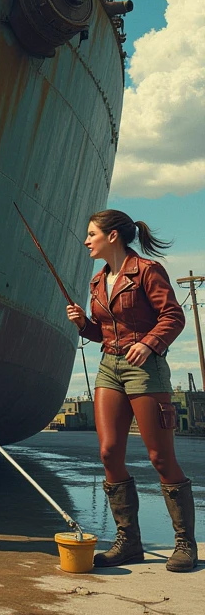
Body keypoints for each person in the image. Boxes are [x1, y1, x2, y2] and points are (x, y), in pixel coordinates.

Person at [67, 210, 197, 572]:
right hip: (109, 365)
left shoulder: (147, 270)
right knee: (109, 452)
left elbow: (173, 315)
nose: (86, 240)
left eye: (91, 233)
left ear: (112, 236)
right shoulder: (97, 282)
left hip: (145, 368)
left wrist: (152, 343)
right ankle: (129, 543)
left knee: (159, 457)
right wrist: (85, 325)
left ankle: (185, 544)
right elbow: (105, 331)